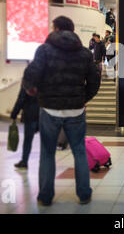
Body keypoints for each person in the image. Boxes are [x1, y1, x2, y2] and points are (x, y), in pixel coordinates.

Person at [22, 16, 100, 206]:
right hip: (75, 111)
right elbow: (95, 80)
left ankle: (45, 197)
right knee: (79, 151)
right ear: (72, 30)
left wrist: (31, 89)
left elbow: (31, 74)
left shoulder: (44, 50)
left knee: (47, 153)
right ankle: (84, 194)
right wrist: (83, 99)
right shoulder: (84, 53)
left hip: (49, 110)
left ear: (55, 29)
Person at [11, 85, 40, 170]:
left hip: (30, 115)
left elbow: (21, 99)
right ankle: (43, 161)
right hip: (42, 114)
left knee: (28, 140)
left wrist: (14, 113)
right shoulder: (43, 79)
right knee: (44, 141)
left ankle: (24, 162)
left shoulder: (27, 82)